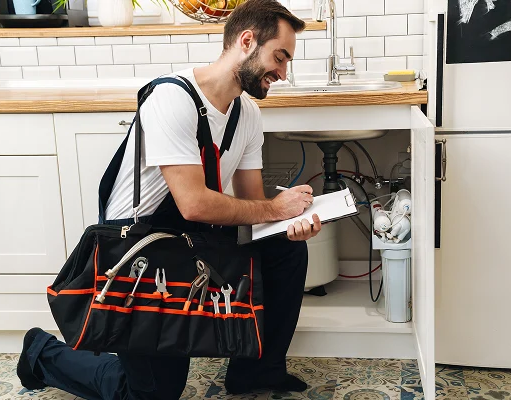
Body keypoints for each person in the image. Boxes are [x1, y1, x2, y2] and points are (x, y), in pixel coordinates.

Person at [16, 0, 322, 399]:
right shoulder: (170, 98)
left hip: (194, 237)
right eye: (279, 57)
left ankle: (256, 372)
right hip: (141, 250)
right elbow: (193, 203)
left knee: (284, 252)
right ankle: (42, 354)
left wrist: (288, 224)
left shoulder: (246, 115)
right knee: (150, 394)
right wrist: (275, 208)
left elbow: (252, 209)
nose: (283, 73)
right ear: (247, 41)